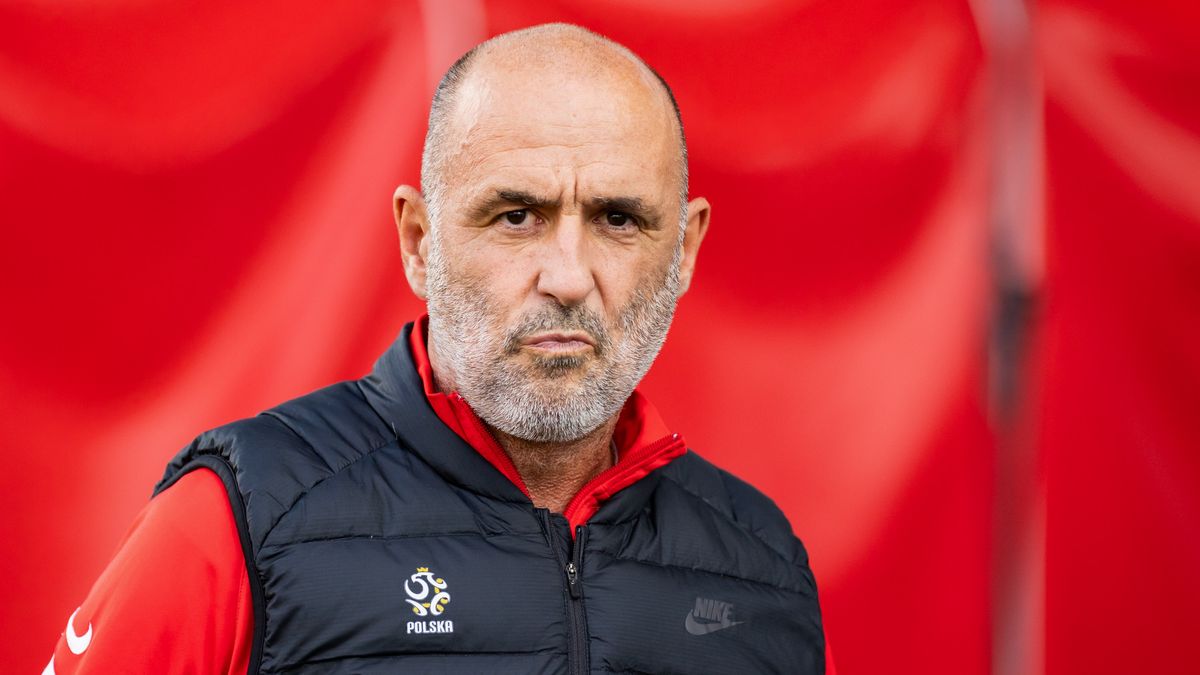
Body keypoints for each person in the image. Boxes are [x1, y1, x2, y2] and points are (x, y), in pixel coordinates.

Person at [43, 23, 827, 674]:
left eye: (619, 219)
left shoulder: (761, 565)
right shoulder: (237, 520)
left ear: (685, 249)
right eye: (516, 215)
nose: (566, 275)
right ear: (419, 241)